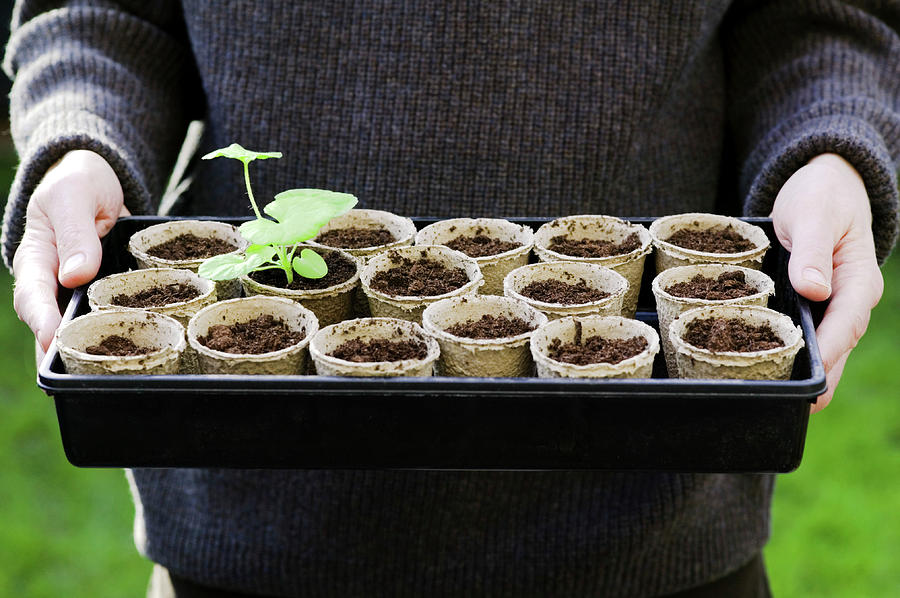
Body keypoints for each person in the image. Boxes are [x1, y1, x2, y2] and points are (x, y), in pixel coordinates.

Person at [3, 2, 897, 597]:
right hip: (255, 520)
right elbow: (100, 13)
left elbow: (817, 16)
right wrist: (79, 140)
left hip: (655, 520)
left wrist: (831, 148)